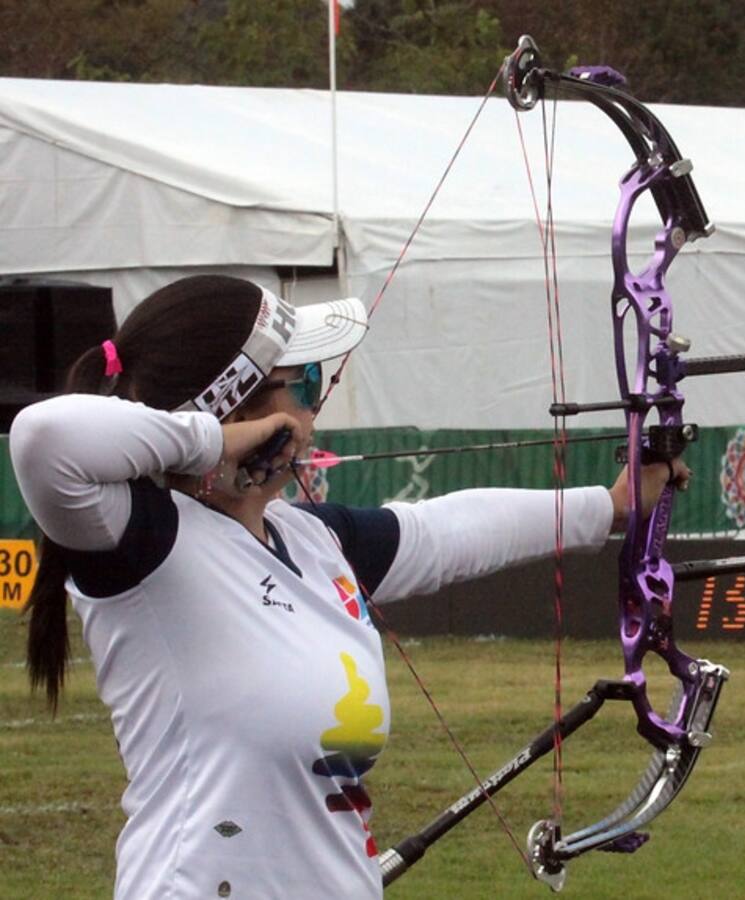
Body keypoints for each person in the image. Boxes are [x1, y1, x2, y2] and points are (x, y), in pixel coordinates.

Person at [10, 274, 687, 899]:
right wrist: (216, 439)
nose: (314, 409)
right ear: (235, 406)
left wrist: (613, 507)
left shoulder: (310, 541)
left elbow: (446, 531)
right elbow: (44, 439)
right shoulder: (143, 542)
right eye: (303, 384)